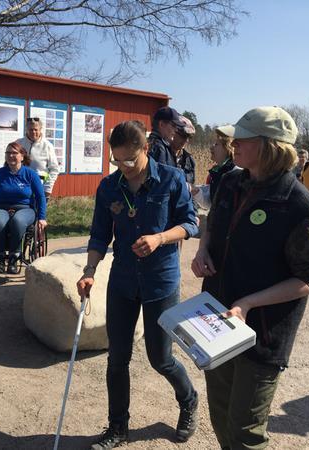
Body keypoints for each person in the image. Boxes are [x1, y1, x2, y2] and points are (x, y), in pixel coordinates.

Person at [191, 106, 309, 449]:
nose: (234, 143)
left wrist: (250, 303)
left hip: (262, 334)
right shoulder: (231, 182)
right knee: (221, 417)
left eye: (243, 139)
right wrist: (203, 249)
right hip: (218, 321)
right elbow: (212, 226)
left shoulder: (299, 206)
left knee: (246, 433)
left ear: (270, 145)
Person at [77, 120, 199, 449]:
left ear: (145, 149)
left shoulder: (172, 179)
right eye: (116, 161)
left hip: (161, 281)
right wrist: (89, 269)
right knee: (117, 359)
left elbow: (190, 223)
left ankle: (188, 400)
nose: (124, 168)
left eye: (129, 160)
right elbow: (100, 234)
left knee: (161, 358)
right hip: (123, 281)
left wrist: (160, 238)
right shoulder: (109, 187)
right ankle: (118, 427)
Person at [0, 141, 47, 274]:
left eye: (14, 153)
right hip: (3, 207)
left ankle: (14, 258)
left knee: (18, 221)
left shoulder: (30, 174)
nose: (11, 155)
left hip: (25, 208)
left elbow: (40, 197)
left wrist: (42, 217)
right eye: (8, 153)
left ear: (22, 156)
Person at [16, 117, 59, 198]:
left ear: (40, 129)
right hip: (20, 187)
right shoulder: (18, 143)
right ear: (26, 129)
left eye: (36, 129)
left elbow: (54, 169)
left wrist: (47, 189)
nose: (33, 132)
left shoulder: (47, 146)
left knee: (38, 211)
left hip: (39, 189)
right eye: (30, 129)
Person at [170, 114, 196, 191]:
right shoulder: (162, 155)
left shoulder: (189, 160)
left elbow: (191, 188)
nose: (186, 140)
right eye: (183, 135)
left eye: (188, 137)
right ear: (173, 132)